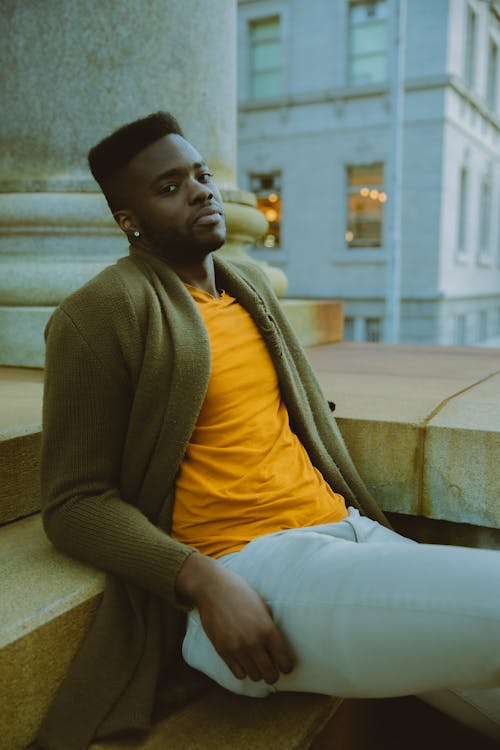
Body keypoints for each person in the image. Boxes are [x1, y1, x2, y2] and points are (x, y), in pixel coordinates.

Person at [38, 112, 500, 750]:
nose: (202, 190)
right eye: (169, 187)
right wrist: (203, 581)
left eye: (201, 175)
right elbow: (73, 502)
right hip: (258, 571)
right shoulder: (99, 315)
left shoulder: (246, 288)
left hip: (349, 532)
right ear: (128, 221)